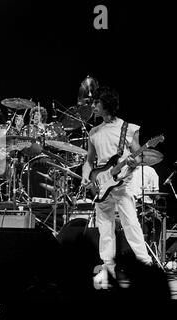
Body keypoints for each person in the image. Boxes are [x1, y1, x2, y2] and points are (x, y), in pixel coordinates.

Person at [81, 86, 152, 289]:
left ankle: (145, 265)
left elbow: (138, 156)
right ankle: (108, 267)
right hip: (101, 184)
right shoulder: (93, 132)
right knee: (104, 228)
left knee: (131, 224)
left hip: (123, 184)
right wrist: (87, 176)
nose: (93, 106)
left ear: (107, 104)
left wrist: (133, 162)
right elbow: (89, 161)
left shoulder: (128, 128)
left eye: (97, 103)